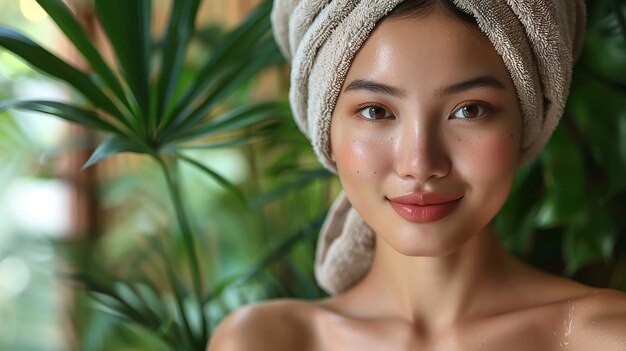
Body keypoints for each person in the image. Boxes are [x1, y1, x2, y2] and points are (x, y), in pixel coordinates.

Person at [208, 0, 626, 350]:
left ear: (529, 120)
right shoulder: (265, 342)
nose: (420, 163)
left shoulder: (605, 337)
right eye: (376, 111)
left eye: (470, 110)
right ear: (327, 133)